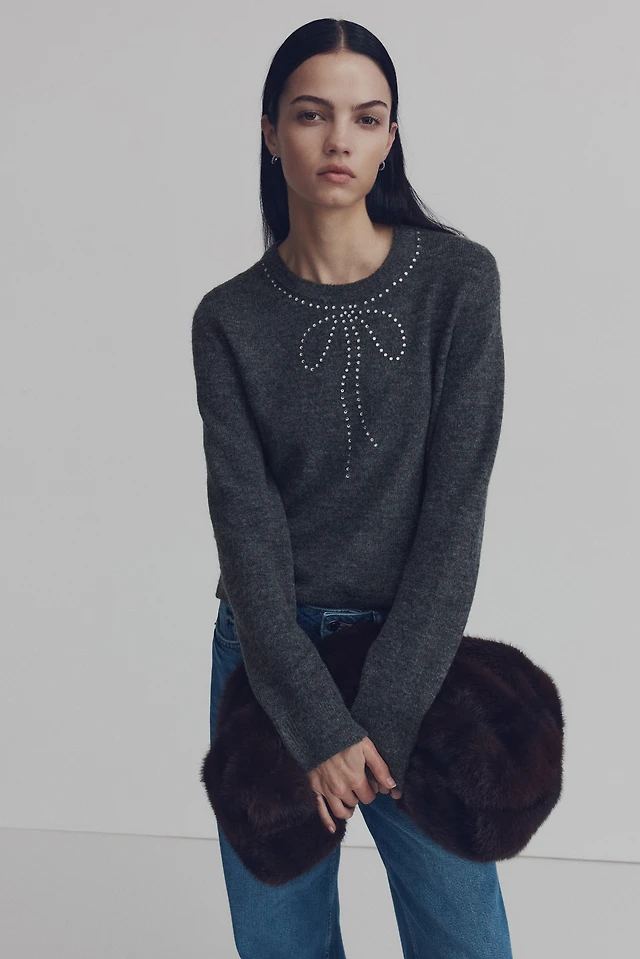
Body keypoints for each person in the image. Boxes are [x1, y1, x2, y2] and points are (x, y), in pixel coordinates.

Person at [191, 17, 513, 959]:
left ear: (390, 137)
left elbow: (455, 514)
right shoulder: (228, 319)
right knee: (281, 946)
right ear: (269, 131)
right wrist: (315, 723)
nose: (340, 140)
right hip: (267, 662)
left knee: (466, 940)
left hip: (411, 653)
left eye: (366, 118)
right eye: (311, 114)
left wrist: (380, 715)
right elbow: (246, 533)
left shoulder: (457, 282)